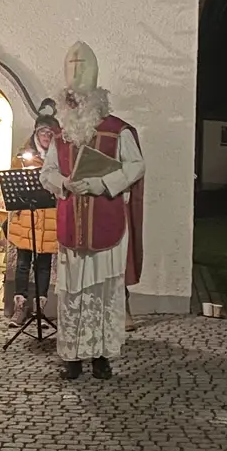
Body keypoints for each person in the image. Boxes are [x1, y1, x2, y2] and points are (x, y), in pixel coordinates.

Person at [39, 43, 146, 380]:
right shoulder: (60, 135)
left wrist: (103, 184)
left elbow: (136, 166)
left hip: (106, 222)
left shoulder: (118, 130)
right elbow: (47, 173)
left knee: (103, 290)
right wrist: (64, 184)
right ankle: (71, 356)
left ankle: (101, 356)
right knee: (72, 292)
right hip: (73, 223)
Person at [9, 107, 60, 327]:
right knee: (22, 263)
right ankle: (20, 307)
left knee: (44, 264)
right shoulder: (23, 157)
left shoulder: (59, 159)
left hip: (49, 219)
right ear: (35, 134)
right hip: (26, 218)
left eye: (50, 134)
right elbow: (13, 184)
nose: (46, 137)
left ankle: (40, 309)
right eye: (42, 133)